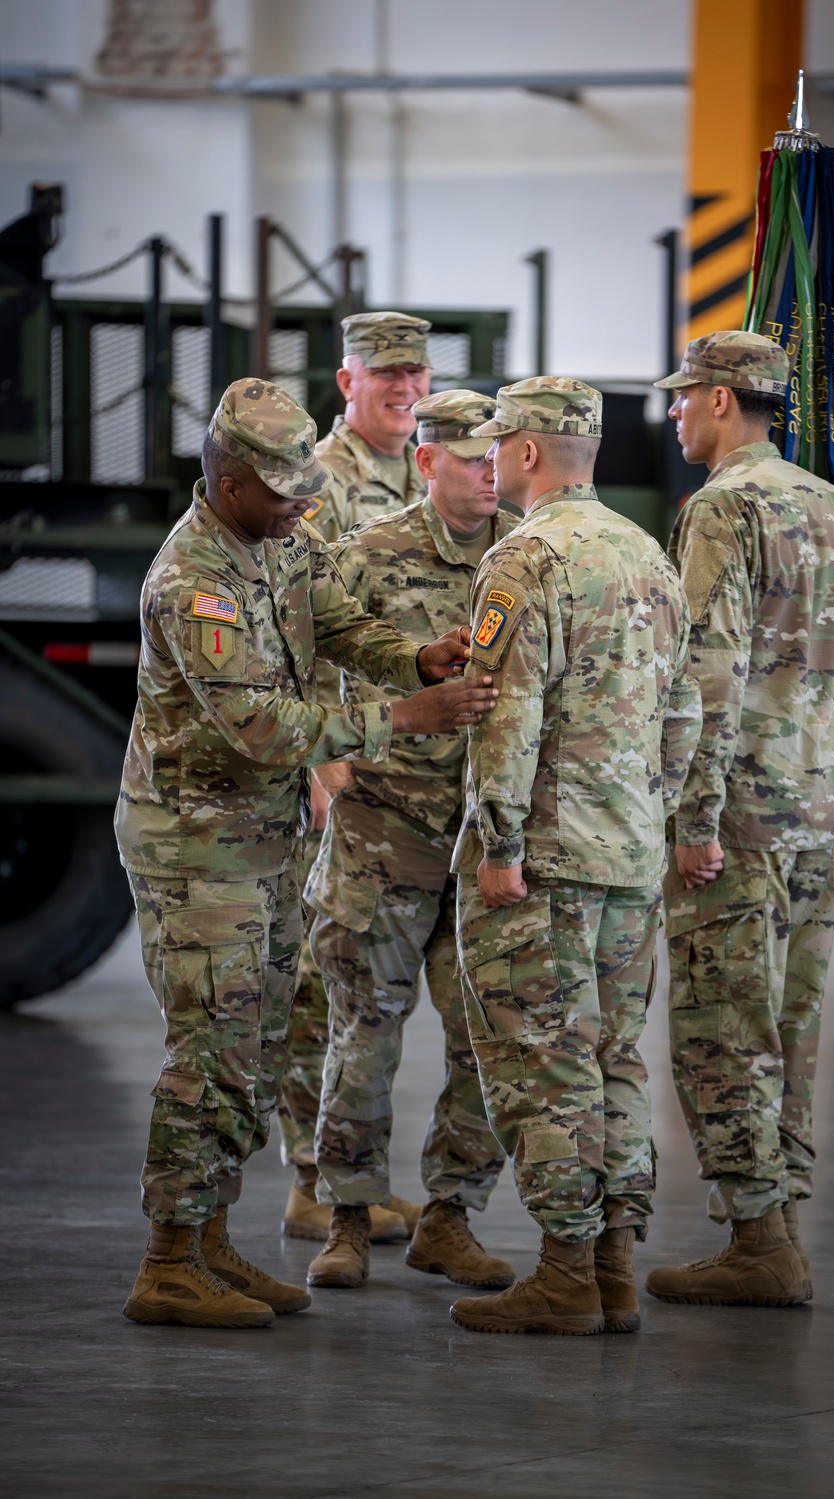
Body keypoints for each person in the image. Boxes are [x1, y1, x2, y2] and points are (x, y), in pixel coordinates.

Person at [115, 378, 497, 1329]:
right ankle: (168, 1260)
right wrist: (399, 716)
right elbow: (258, 723)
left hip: (261, 841)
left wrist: (415, 658)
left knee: (255, 1053)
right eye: (282, 489)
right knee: (208, 1055)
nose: (302, 503)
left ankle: (211, 1245)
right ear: (228, 478)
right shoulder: (194, 579)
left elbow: (339, 623)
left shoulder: (278, 540)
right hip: (198, 849)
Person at [448, 377, 703, 1337]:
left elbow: (503, 717)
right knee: (612, 1057)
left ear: (521, 454)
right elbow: (685, 712)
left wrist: (500, 844)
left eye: (495, 446)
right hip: (630, 854)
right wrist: (656, 812)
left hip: (546, 860)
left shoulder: (526, 559)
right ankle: (612, 1266)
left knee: (543, 1062)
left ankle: (562, 1272)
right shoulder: (649, 555)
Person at [644, 330, 834, 1308]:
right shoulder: (830, 503)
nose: (669, 413)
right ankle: (778, 1219)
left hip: (737, 813)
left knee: (720, 1022)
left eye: (680, 396)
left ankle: (755, 1236)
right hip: (811, 804)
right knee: (791, 1023)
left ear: (717, 400)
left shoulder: (722, 510)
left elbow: (707, 673)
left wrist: (692, 815)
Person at [302, 390, 521, 1295]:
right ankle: (346, 1216)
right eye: (469, 458)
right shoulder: (367, 555)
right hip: (385, 832)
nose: (487, 472)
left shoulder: (530, 553)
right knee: (364, 1031)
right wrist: (331, 762)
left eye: (496, 457)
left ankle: (450, 1216)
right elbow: (307, 668)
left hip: (485, 840)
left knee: (488, 1036)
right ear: (426, 463)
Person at [278, 308, 433, 1242]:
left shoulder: (415, 472)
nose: (406, 393)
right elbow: (296, 630)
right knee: (318, 977)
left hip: (398, 768)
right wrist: (321, 759)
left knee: (362, 982)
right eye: (388, 379)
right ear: (348, 384)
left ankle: (348, 1177)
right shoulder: (323, 484)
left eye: (417, 377)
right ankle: (311, 1179)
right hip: (339, 764)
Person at [312, 310, 432, 541]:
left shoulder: (433, 473)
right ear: (347, 383)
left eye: (415, 372)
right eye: (385, 372)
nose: (404, 388)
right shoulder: (317, 479)